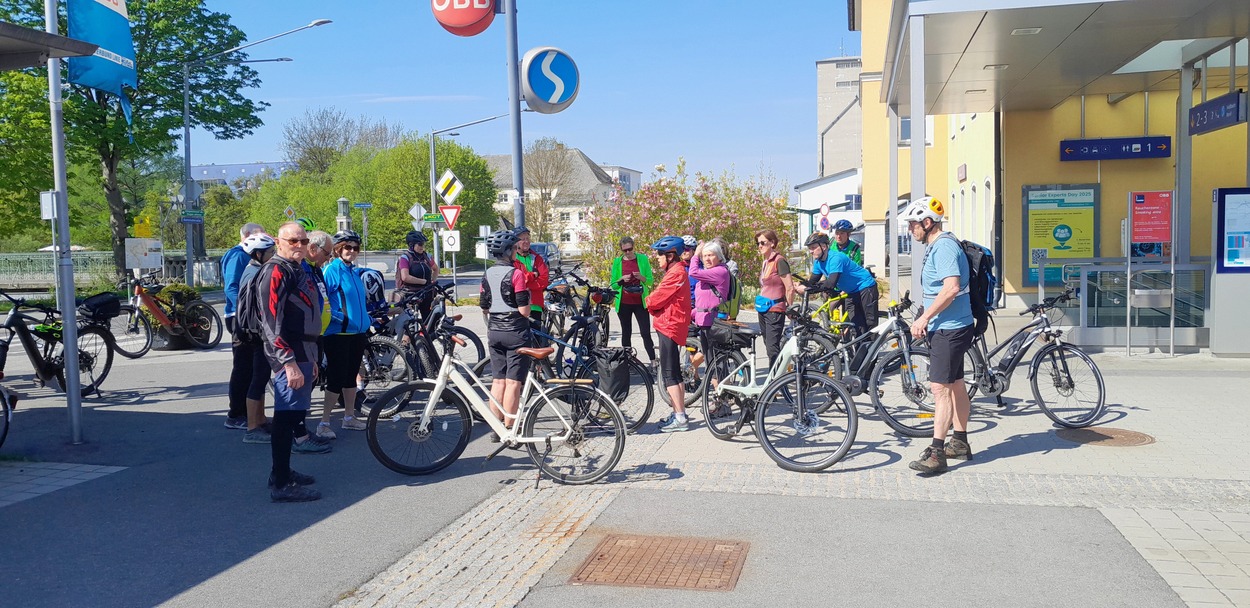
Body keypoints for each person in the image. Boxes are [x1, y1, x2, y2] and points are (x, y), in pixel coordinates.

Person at [901, 196, 975, 474]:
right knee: (955, 384)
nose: (911, 230)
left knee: (939, 389)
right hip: (954, 325)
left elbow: (951, 288)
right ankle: (960, 442)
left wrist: (924, 317)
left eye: (913, 224)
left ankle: (936, 453)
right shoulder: (942, 245)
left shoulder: (943, 248)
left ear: (927, 222)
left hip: (949, 328)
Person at [259, 222, 329, 503]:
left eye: (302, 241)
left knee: (292, 416)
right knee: (285, 417)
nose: (298, 245)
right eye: (293, 241)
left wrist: (310, 358)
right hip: (289, 353)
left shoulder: (295, 268)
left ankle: (282, 472)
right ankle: (281, 483)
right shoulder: (275, 270)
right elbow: (270, 321)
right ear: (279, 241)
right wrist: (288, 362)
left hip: (304, 351)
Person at [315, 230, 371, 439]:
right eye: (348, 247)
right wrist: (342, 319)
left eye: (356, 248)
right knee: (336, 379)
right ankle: (324, 422)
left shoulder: (353, 272)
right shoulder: (332, 270)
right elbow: (323, 301)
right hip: (338, 334)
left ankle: (349, 417)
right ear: (338, 249)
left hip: (356, 333)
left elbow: (358, 303)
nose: (352, 251)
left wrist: (367, 320)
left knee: (350, 379)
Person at [479, 229, 532, 440]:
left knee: (498, 381)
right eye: (515, 249)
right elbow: (524, 311)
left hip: (494, 332)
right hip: (515, 331)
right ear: (509, 251)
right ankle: (510, 428)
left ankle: (495, 427)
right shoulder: (516, 274)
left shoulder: (487, 273)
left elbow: (484, 306)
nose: (517, 252)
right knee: (513, 383)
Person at [646, 236, 693, 433]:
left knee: (669, 375)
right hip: (670, 324)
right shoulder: (676, 271)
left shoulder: (676, 273)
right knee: (674, 372)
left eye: (659, 254)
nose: (657, 258)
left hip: (669, 325)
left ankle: (680, 418)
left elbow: (656, 299)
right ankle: (678, 413)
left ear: (670, 255)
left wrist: (648, 301)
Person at [222, 222, 265, 429]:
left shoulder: (244, 254)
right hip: (239, 317)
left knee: (250, 366)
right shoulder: (239, 255)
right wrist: (245, 311)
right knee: (243, 366)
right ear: (247, 236)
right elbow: (231, 286)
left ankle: (249, 414)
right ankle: (235, 413)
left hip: (243, 316)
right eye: (259, 235)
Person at [235, 233, 277, 444]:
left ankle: (260, 419)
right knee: (258, 378)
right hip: (258, 333)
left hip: (252, 331)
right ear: (258, 254)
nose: (274, 255)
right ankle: (252, 427)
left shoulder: (253, 269)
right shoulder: (257, 273)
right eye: (271, 252)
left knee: (260, 376)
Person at [795, 232, 879, 337]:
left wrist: (809, 289)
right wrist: (800, 284)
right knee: (856, 326)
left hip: (865, 286)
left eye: (813, 247)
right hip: (851, 292)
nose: (811, 251)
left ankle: (873, 350)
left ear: (824, 246)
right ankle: (861, 352)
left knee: (870, 323)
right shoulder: (818, 262)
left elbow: (830, 283)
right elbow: (813, 282)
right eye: (809, 248)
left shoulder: (835, 258)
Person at [609, 236, 656, 364]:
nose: (628, 253)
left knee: (645, 333)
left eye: (630, 249)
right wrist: (621, 279)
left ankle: (653, 361)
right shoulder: (617, 262)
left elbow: (651, 282)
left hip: (640, 302)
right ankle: (627, 362)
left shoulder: (642, 259)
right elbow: (613, 284)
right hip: (624, 302)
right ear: (621, 251)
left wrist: (641, 277)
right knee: (626, 332)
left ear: (633, 248)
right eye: (625, 250)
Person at [688, 240, 731, 371]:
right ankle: (716, 387)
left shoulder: (719, 271)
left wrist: (695, 255)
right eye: (704, 256)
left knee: (715, 360)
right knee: (709, 359)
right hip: (704, 321)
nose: (707, 258)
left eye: (711, 255)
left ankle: (722, 388)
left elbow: (693, 272)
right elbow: (704, 301)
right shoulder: (709, 273)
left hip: (714, 321)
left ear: (719, 257)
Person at [755, 229, 795, 362]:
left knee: (772, 349)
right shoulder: (766, 261)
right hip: (763, 308)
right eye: (758, 243)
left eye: (763, 242)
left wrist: (789, 307)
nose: (759, 246)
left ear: (772, 243)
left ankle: (776, 381)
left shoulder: (779, 261)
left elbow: (789, 288)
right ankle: (776, 377)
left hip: (775, 309)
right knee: (769, 347)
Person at [511, 226, 549, 330]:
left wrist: (525, 284)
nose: (526, 241)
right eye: (522, 239)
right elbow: (513, 280)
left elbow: (544, 280)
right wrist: (532, 275)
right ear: (515, 242)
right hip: (518, 305)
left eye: (528, 238)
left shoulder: (537, 258)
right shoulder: (512, 259)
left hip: (535, 304)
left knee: (536, 339)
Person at [395, 230, 439, 320]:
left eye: (423, 244)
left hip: (426, 293)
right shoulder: (405, 258)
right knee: (410, 323)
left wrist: (432, 282)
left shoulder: (426, 256)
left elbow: (436, 269)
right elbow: (405, 277)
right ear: (412, 245)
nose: (422, 247)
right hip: (410, 294)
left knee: (430, 322)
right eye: (420, 244)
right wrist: (423, 281)